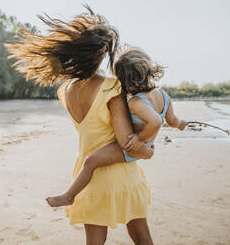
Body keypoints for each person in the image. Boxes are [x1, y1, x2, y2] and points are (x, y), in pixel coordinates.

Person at [6, 6, 156, 244]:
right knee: (140, 236)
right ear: (98, 56)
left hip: (87, 178)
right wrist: (148, 152)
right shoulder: (112, 88)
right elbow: (127, 143)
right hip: (120, 176)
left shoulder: (65, 91)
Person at [46, 47, 188, 208]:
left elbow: (155, 122)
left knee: (91, 161)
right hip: (144, 145)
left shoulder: (137, 102)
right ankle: (69, 196)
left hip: (131, 146)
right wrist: (181, 124)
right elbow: (172, 120)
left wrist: (138, 139)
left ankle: (69, 196)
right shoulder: (163, 95)